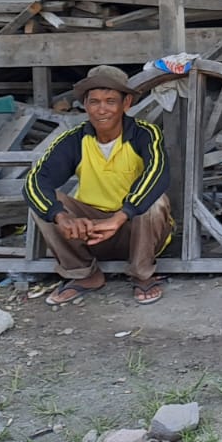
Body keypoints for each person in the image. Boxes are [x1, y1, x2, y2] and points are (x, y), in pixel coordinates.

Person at [25, 65, 173, 305]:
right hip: (91, 232)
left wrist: (120, 217)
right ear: (85, 105)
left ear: (126, 103)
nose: (101, 109)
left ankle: (142, 274)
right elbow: (36, 181)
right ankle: (84, 275)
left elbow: (158, 173)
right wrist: (62, 217)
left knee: (155, 201)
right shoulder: (73, 140)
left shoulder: (145, 134)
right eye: (94, 102)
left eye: (110, 101)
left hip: (134, 231)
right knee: (43, 203)